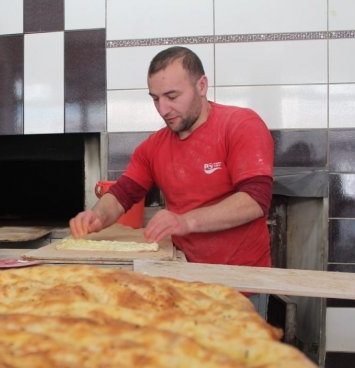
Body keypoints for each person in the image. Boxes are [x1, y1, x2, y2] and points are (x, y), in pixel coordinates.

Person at [70, 46, 274, 267]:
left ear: (201, 86)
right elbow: (122, 195)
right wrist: (98, 216)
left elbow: (255, 200)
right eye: (155, 99)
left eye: (172, 96)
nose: (163, 109)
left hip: (242, 276)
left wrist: (185, 221)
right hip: (183, 270)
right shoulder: (152, 147)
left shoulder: (240, 125)